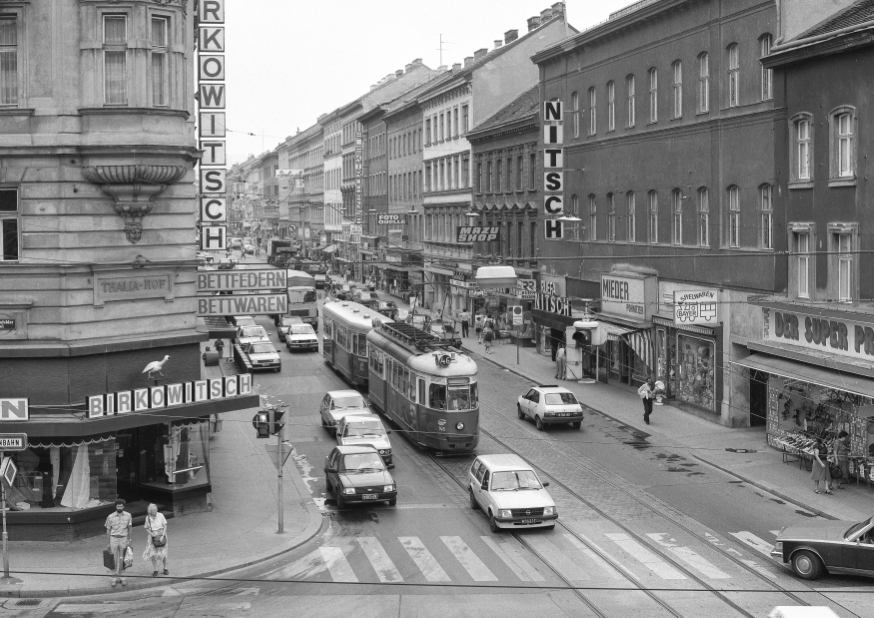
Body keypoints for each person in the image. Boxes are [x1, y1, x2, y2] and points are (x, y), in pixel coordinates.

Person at [105, 498, 132, 587]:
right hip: (114, 539)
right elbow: (108, 530)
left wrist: (130, 540)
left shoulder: (128, 515)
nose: (119, 507)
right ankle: (114, 579)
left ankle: (123, 578)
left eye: (121, 506)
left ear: (123, 506)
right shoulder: (110, 516)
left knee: (123, 559)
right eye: (118, 506)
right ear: (115, 507)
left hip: (124, 539)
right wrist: (108, 542)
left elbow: (130, 528)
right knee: (113, 560)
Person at [143, 503, 169, 577]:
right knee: (153, 553)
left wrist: (163, 535)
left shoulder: (160, 515)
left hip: (161, 534)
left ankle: (165, 568)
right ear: (150, 511)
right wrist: (151, 534)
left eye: (156, 509)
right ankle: (155, 569)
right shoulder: (148, 518)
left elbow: (165, 525)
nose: (155, 511)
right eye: (153, 510)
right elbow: (146, 527)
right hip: (153, 536)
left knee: (163, 552)